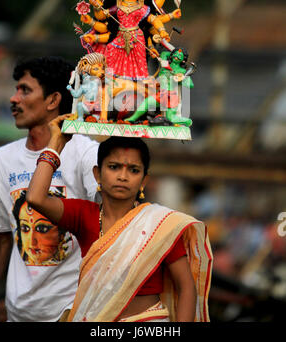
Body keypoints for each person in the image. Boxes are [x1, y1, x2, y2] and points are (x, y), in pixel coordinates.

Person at [26, 115, 213, 322]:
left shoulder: (160, 225)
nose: (123, 176)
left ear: (144, 180)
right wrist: (55, 143)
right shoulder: (83, 214)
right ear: (97, 174)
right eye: (114, 167)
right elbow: (35, 197)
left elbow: (186, 287)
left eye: (133, 170)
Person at [0, 56, 99, 322]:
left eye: (25, 90)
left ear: (53, 100)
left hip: (73, 309)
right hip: (19, 310)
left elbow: (111, 219)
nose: (14, 99)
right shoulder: (2, 159)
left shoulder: (85, 151)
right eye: (16, 90)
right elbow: (0, 233)